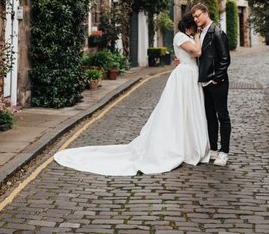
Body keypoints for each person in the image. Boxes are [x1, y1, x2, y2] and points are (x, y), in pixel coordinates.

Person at [54, 13, 210, 176]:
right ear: (187, 27)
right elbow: (197, 52)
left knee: (188, 111)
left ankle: (188, 145)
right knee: (177, 111)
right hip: (184, 77)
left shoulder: (187, 37)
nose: (195, 29)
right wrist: (198, 36)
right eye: (193, 26)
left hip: (190, 76)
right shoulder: (180, 37)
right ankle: (176, 146)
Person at [191, 3, 231, 167]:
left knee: (222, 115)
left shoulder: (217, 32)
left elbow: (225, 59)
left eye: (197, 15)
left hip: (217, 81)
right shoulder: (201, 33)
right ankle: (213, 149)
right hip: (205, 81)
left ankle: (224, 152)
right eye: (193, 17)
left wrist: (217, 78)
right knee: (210, 117)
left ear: (206, 13)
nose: (195, 19)